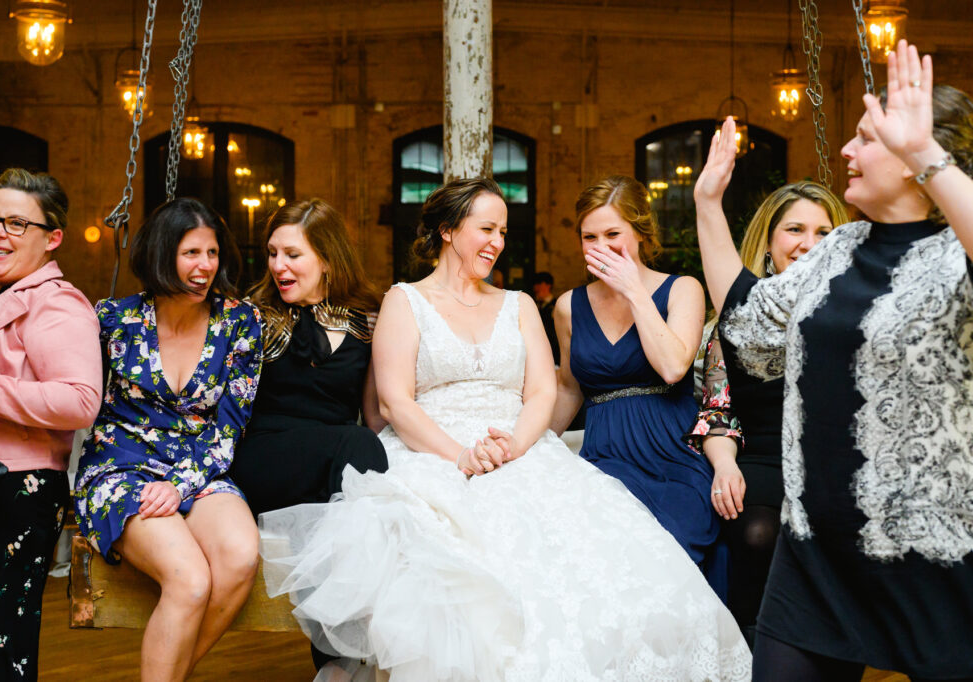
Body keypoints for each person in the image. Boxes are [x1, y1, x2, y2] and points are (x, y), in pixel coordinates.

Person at [259, 178, 751, 681]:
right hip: (430, 451)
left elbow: (544, 390)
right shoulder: (403, 302)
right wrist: (459, 456)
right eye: (486, 229)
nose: (497, 241)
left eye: (502, 230)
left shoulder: (518, 304)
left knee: (598, 568)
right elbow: (393, 402)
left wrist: (516, 443)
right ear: (449, 231)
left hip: (518, 449)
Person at [695, 41, 973, 680]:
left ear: (914, 157)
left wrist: (927, 152)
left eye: (866, 139)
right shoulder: (838, 248)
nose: (845, 152)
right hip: (816, 555)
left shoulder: (955, 255)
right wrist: (709, 205)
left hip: (936, 556)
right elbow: (745, 314)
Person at [74, 198, 262, 681]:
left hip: (200, 468)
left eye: (212, 253)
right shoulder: (113, 320)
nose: (204, 267)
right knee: (189, 579)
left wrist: (180, 483)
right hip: (120, 468)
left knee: (240, 557)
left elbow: (229, 425)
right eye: (190, 253)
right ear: (162, 255)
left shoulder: (240, 322)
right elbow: (74, 395)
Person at [0, 169, 102, 681]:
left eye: (17, 223)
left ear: (52, 238)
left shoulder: (57, 303)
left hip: (13, 493)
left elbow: (81, 401)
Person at [685, 181, 849, 644]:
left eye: (823, 231)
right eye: (795, 229)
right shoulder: (736, 317)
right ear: (770, 239)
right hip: (757, 458)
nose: (808, 244)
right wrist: (724, 466)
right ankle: (754, 643)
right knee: (757, 532)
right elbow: (718, 410)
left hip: (827, 462)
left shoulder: (852, 313)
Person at [549, 175, 723, 594]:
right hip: (605, 456)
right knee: (610, 559)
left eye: (613, 234)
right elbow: (569, 389)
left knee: (673, 554)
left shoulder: (683, 289)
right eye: (589, 236)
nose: (601, 246)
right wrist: (525, 445)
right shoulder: (568, 307)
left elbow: (672, 367)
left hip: (674, 454)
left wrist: (633, 292)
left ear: (641, 233)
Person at [230, 199, 388, 517]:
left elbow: (375, 415)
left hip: (339, 460)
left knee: (365, 449)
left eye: (292, 255)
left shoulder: (369, 318)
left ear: (327, 260)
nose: (277, 265)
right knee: (358, 444)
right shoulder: (252, 316)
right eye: (272, 253)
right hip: (266, 457)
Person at [531, 271, 560, 364]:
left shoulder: (557, 305)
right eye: (535, 284)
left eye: (539, 284)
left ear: (548, 285)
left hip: (553, 351)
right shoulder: (534, 304)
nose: (536, 288)